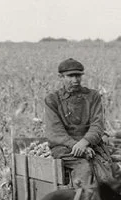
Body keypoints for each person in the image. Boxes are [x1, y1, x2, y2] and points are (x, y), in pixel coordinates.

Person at [43, 58, 111, 188]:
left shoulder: (93, 96)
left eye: (78, 75)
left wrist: (84, 143)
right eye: (70, 76)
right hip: (64, 147)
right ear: (60, 77)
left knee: (105, 172)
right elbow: (55, 132)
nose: (75, 80)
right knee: (84, 168)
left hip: (91, 144)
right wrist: (76, 145)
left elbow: (97, 125)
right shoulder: (52, 100)